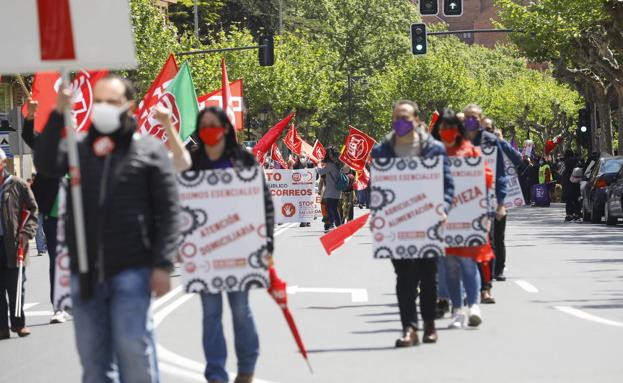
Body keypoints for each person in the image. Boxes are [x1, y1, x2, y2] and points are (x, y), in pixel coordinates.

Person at [34, 75, 180, 382]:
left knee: (132, 348)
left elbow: (168, 211)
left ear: (130, 106)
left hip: (132, 270)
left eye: (111, 102)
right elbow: (46, 163)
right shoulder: (79, 149)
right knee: (94, 362)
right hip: (85, 272)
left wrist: (163, 264)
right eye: (98, 101)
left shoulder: (150, 151)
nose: (103, 108)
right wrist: (58, 113)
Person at [188, 106, 275, 383]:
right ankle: (215, 373)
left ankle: (247, 368)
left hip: (240, 247)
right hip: (205, 250)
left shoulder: (245, 161)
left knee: (240, 310)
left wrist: (267, 245)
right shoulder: (192, 162)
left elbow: (264, 204)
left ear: (225, 127)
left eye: (214, 124)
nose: (209, 130)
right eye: (204, 126)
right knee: (210, 314)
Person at [371, 100, 454, 347]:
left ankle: (429, 324)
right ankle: (409, 328)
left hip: (428, 220)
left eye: (406, 117)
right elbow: (378, 187)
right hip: (397, 223)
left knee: (428, 276)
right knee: (404, 276)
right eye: (397, 117)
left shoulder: (434, 149)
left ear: (417, 120)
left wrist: (444, 208)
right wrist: (377, 215)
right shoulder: (381, 151)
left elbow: (447, 185)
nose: (401, 121)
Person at [432, 110, 494, 328]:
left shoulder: (472, 152)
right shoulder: (435, 154)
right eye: (442, 130)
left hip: (469, 218)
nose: (445, 133)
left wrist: (486, 212)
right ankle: (457, 310)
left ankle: (473, 306)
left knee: (468, 264)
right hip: (443, 219)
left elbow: (485, 181)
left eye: (449, 129)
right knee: (450, 266)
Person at [22, 97, 68, 324]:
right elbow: (28, 136)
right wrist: (30, 114)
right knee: (57, 261)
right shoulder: (49, 147)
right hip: (54, 216)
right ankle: (58, 306)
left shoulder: (86, 145)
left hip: (83, 217)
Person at [463, 105, 507, 304]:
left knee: (485, 244)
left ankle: (485, 289)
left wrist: (500, 203)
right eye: (467, 117)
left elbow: (501, 174)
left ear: (480, 120)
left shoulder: (491, 143)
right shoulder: (457, 141)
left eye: (474, 118)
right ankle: (466, 287)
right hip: (460, 204)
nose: (470, 120)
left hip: (485, 203)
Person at [0, 148, 38, 340]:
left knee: (15, 286)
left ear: (2, 164)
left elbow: (32, 210)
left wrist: (26, 233)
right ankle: (2, 328)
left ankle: (19, 324)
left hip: (13, 243)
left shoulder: (17, 184)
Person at [483, 121, 523, 282]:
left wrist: (501, 141)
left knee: (498, 236)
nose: (487, 133)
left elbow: (518, 159)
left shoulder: (499, 145)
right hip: (479, 198)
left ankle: (498, 270)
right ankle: (487, 270)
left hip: (499, 198)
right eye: (483, 129)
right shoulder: (473, 144)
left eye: (489, 129)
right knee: (486, 237)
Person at [317, 147, 343, 232]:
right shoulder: (336, 164)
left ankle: (331, 224)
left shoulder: (330, 165)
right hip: (337, 189)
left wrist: (318, 165)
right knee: (334, 208)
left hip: (331, 190)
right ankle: (338, 225)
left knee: (329, 208)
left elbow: (321, 172)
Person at [563, 149, 582, 222]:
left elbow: (560, 172)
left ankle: (569, 215)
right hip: (576, 183)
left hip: (568, 183)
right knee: (576, 199)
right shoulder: (578, 160)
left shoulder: (565, 162)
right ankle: (577, 214)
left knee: (569, 200)